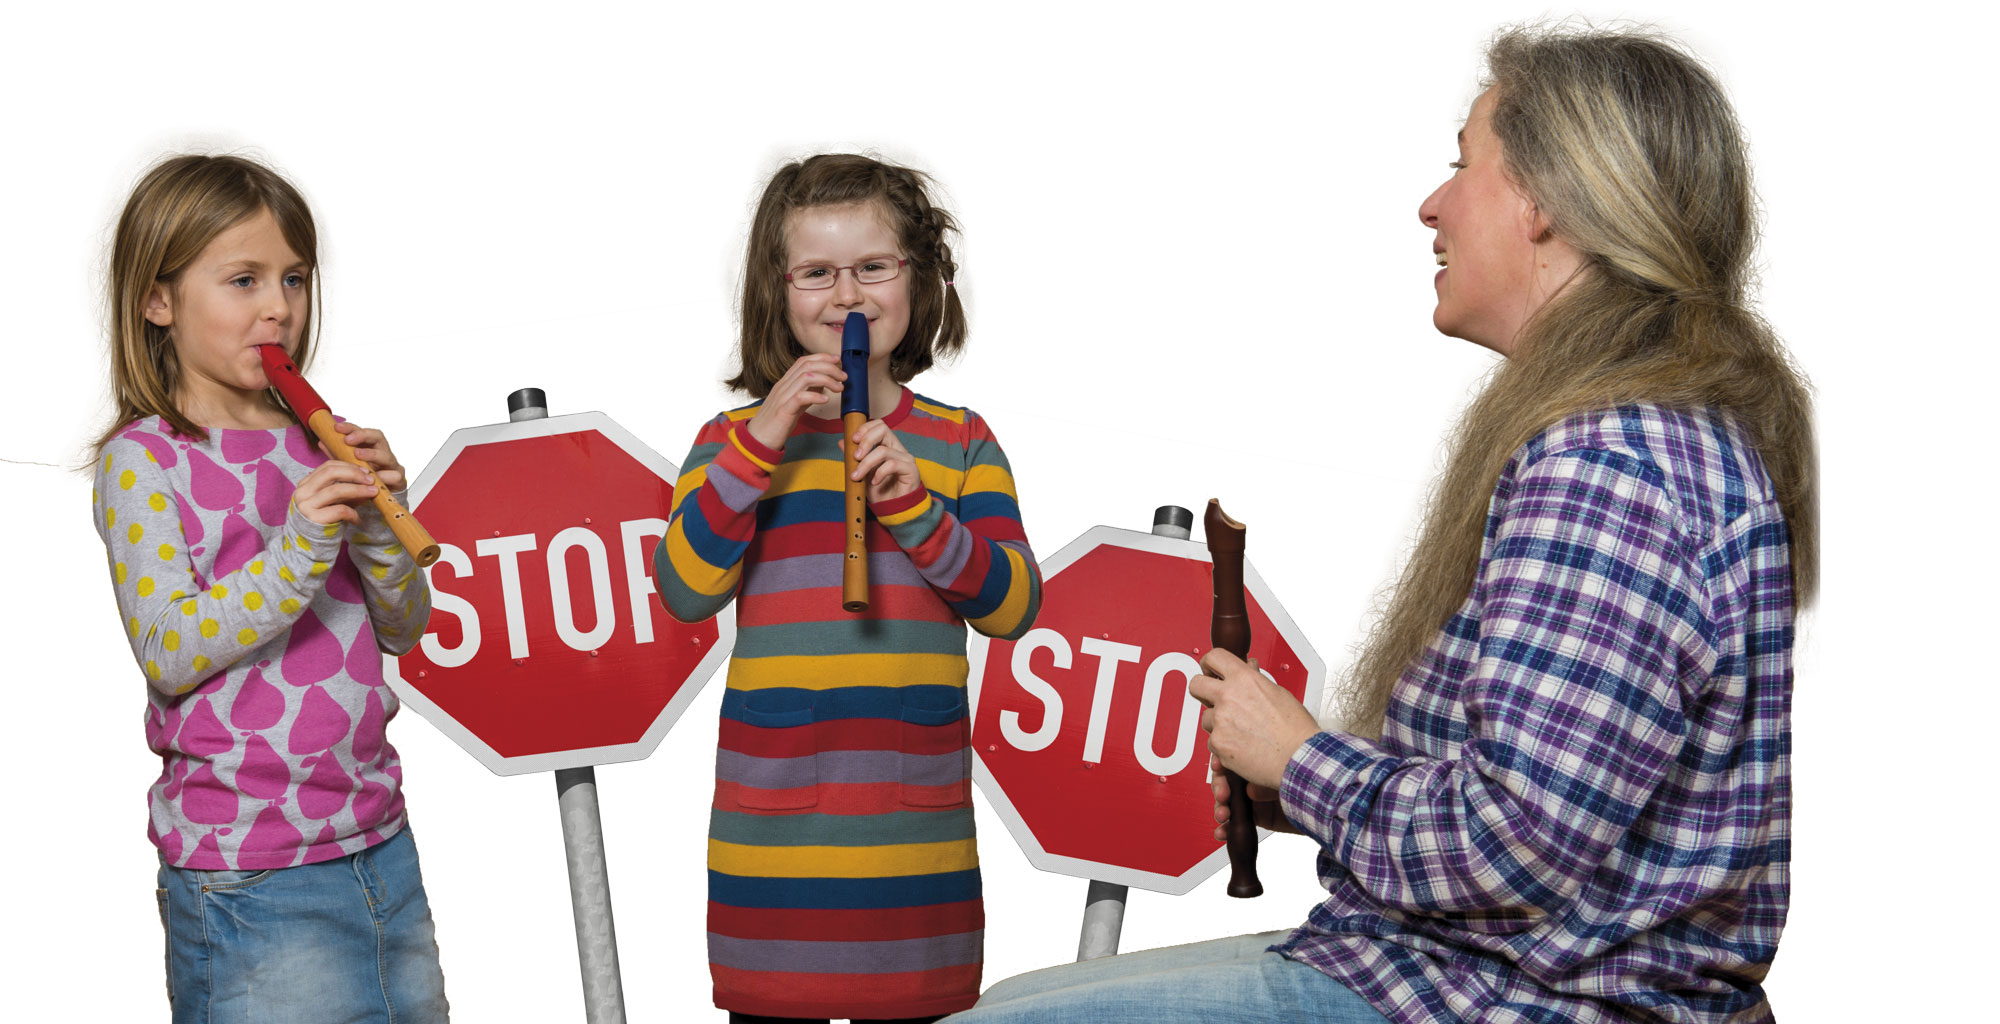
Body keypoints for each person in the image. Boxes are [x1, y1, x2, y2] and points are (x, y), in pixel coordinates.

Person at [949, 24, 1813, 1024]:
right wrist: (1299, 792)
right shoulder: (1649, 437)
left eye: (1462, 165)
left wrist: (1303, 760)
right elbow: (1554, 795)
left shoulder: (1604, 465)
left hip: (1500, 1001)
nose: (1431, 204)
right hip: (1460, 970)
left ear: (1542, 202)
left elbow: (1515, 842)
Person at [655, 153, 1043, 1023]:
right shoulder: (730, 440)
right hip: (772, 854)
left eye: (874, 266)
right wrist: (766, 439)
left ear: (920, 280)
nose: (848, 297)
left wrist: (916, 509)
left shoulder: (961, 440)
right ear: (777, 291)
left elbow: (1015, 603)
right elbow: (683, 588)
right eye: (817, 273)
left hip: (914, 859)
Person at [90, 154, 449, 1022]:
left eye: (293, 278)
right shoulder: (145, 460)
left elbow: (402, 627)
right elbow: (170, 650)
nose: (279, 306)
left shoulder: (316, 441)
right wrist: (296, 550)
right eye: (243, 279)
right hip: (250, 877)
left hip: (378, 843)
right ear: (158, 300)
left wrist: (378, 525)